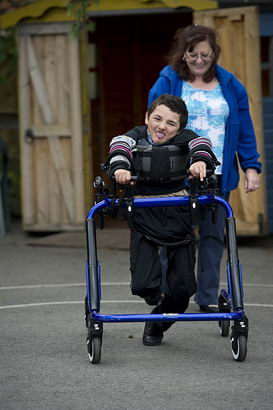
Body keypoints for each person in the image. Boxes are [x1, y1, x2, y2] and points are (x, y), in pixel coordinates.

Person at [148, 24, 261, 313]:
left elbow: (244, 127)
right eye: (193, 54)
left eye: (206, 55)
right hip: (176, 174)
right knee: (170, 238)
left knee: (212, 238)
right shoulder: (168, 81)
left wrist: (251, 167)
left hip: (217, 175)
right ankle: (167, 296)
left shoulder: (230, 84)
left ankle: (207, 298)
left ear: (214, 54)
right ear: (183, 53)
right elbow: (153, 123)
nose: (199, 60)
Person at [106, 94, 218, 346]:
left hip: (179, 212)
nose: (161, 126)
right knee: (144, 285)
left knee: (183, 289)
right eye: (157, 118)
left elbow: (201, 144)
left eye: (170, 123)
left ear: (179, 128)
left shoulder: (186, 138)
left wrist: (200, 160)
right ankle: (153, 295)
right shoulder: (134, 136)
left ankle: (156, 323)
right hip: (144, 212)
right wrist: (120, 169)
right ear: (147, 117)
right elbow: (118, 146)